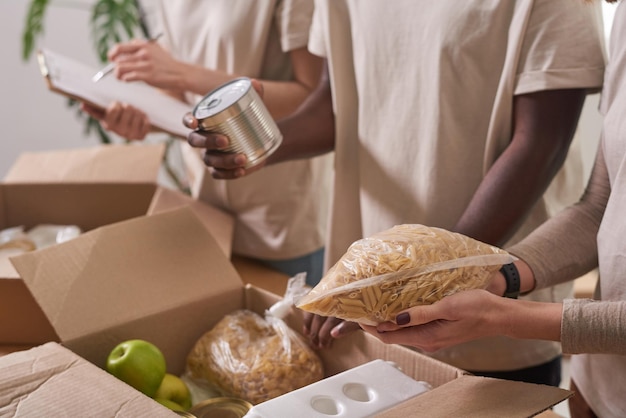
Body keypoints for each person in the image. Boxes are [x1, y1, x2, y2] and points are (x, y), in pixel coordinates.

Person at [184, 0, 606, 387]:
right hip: (375, 304)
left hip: (492, 307)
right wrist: (256, 147)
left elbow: (538, 145)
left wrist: (412, 281)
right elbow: (336, 104)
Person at [81, 0, 331, 286]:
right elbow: (183, 101)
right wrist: (142, 117)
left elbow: (314, 102)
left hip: (281, 219)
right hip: (207, 210)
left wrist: (181, 73)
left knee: (292, 328)